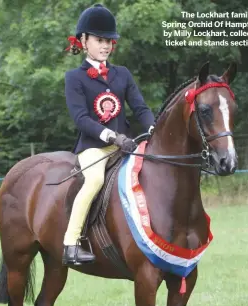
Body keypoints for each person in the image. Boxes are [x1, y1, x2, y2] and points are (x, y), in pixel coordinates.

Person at [62, 3, 155, 266]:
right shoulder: (74, 78)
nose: (105, 46)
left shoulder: (122, 74)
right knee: (93, 182)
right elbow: (81, 119)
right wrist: (111, 137)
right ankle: (71, 243)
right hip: (94, 147)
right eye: (100, 40)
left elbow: (140, 108)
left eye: (109, 41)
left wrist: (153, 130)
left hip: (126, 145)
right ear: (84, 41)